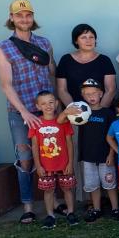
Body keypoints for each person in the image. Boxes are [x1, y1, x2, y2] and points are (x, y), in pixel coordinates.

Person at [0, 0, 56, 224]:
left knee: (51, 155)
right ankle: (28, 206)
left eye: (28, 15)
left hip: (47, 110)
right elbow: (6, 85)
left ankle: (55, 202)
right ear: (11, 18)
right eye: (19, 15)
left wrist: (57, 104)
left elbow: (52, 72)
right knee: (25, 159)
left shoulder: (44, 43)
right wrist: (24, 113)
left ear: (33, 17)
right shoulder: (4, 48)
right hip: (21, 112)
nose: (24, 19)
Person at [65, 78, 119, 223]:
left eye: (94, 93)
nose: (91, 96)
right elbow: (61, 121)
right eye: (87, 94)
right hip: (88, 156)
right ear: (83, 96)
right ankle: (96, 209)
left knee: (110, 183)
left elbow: (113, 136)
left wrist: (111, 154)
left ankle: (115, 208)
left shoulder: (108, 113)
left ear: (101, 94)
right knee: (92, 184)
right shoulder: (81, 113)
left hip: (105, 156)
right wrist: (66, 112)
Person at [28, 90, 77, 229]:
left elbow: (69, 143)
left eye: (51, 102)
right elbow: (35, 146)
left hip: (63, 164)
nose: (48, 106)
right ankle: (50, 215)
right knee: (48, 191)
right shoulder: (35, 124)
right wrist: (38, 165)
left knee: (67, 189)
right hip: (46, 166)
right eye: (43, 103)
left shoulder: (63, 121)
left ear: (56, 103)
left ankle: (71, 213)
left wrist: (70, 163)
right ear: (38, 106)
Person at [55, 23, 116, 108]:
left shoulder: (105, 60)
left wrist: (99, 111)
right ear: (76, 41)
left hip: (101, 111)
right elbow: (62, 90)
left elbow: (110, 90)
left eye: (91, 37)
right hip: (73, 111)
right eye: (83, 37)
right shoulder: (65, 60)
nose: (88, 41)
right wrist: (74, 110)